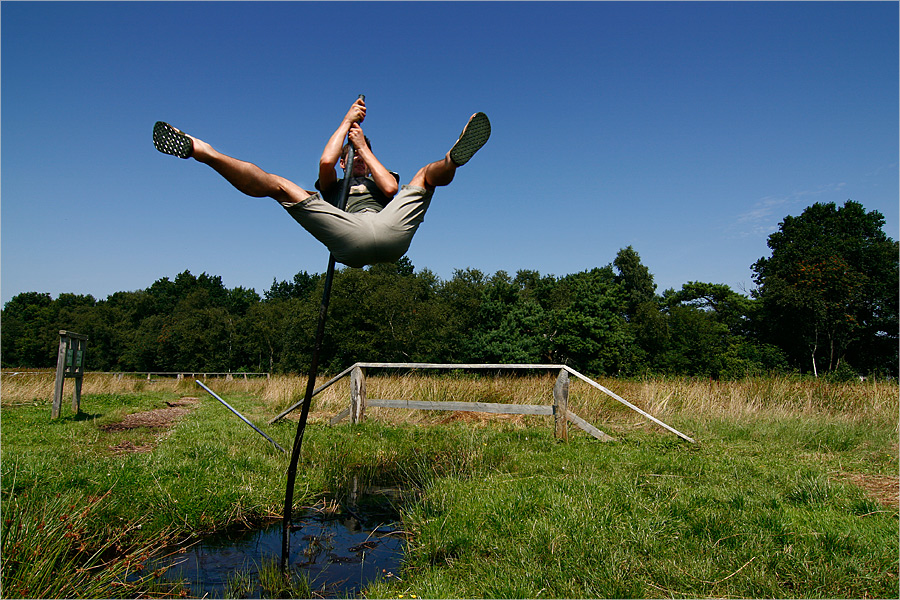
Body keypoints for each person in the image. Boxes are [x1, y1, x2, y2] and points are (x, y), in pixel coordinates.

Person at [152, 98, 490, 268]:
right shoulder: (332, 186)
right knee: (281, 186)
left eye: (364, 156)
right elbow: (326, 162)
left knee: (426, 175)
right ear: (345, 162)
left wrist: (362, 147)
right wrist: (346, 123)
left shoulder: (382, 181)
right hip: (348, 233)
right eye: (353, 157)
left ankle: (453, 157)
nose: (359, 160)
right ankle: (203, 151)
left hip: (390, 231)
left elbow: (389, 190)